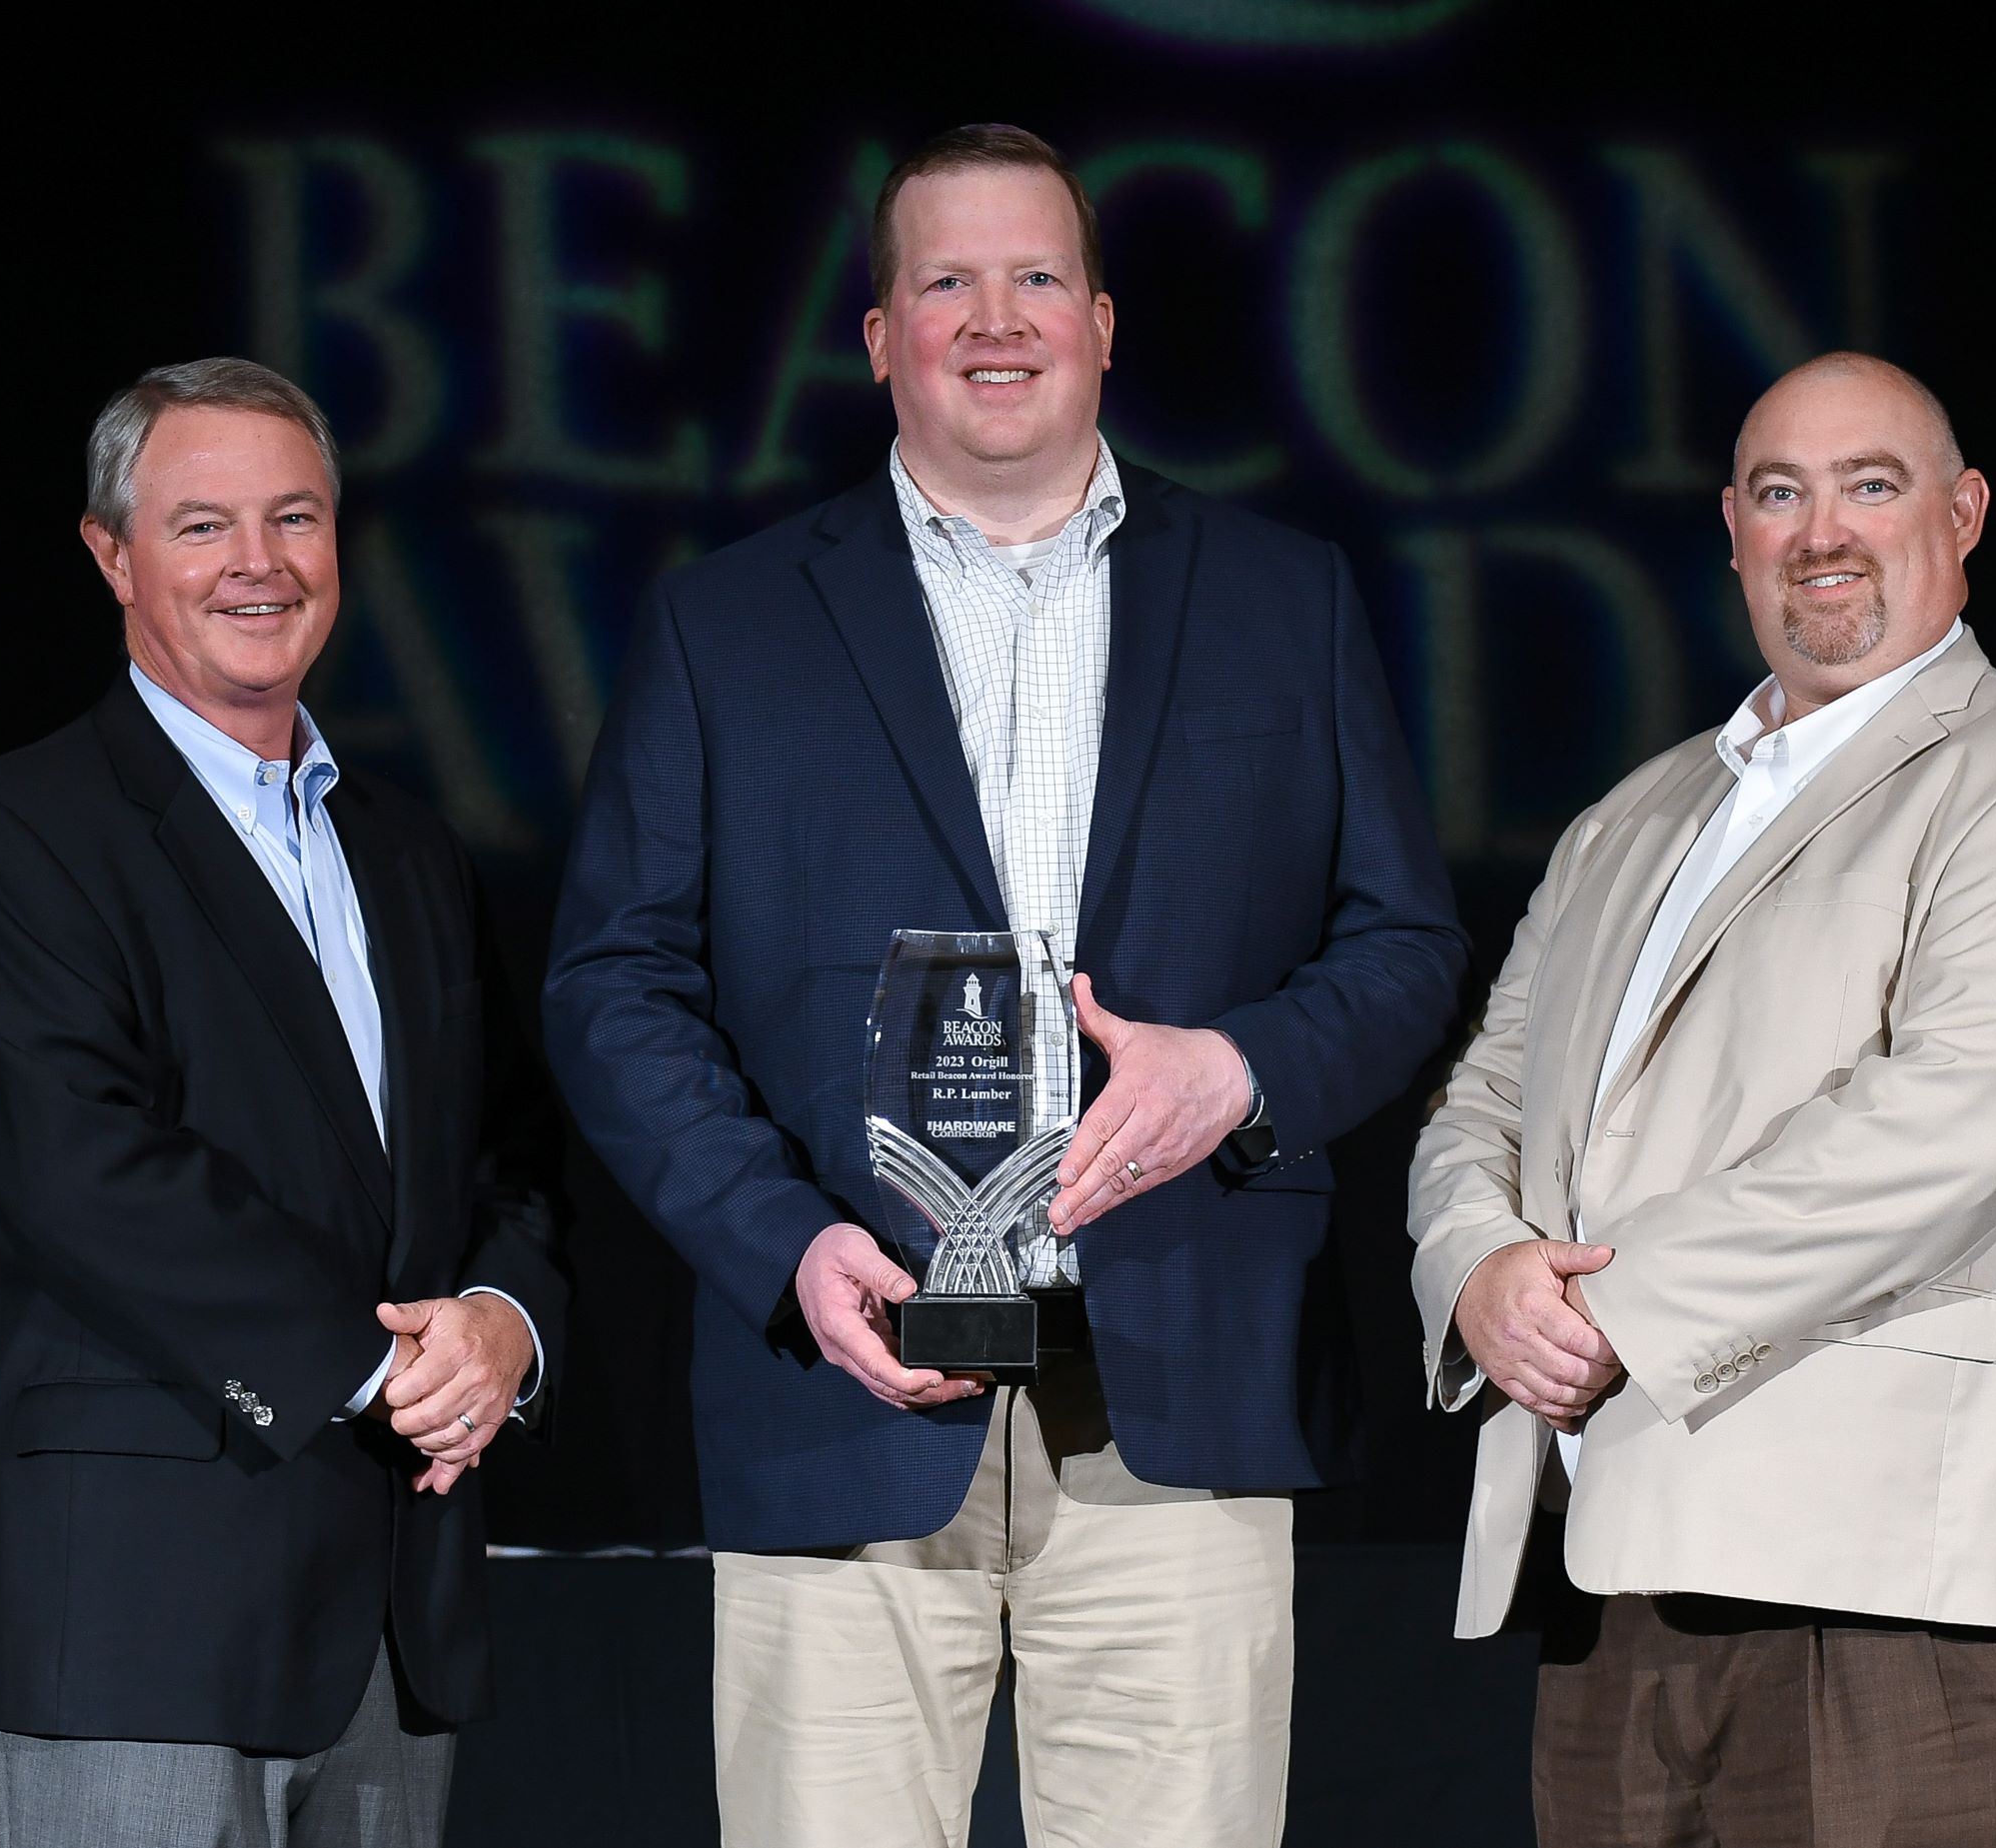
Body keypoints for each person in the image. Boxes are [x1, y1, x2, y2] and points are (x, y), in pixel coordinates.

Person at [545, 124, 1466, 1846]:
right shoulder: (724, 625)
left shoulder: (1282, 599)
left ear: (1103, 321)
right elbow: (615, 984)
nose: (996, 316)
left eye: (1035, 274)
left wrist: (1239, 1073)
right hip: (845, 1381)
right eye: (943, 280)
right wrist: (781, 1243)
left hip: (1179, 1384)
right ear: (879, 335)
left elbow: (1403, 943)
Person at [1408, 352, 1996, 1845]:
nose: (1819, 530)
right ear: (1729, 528)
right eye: (1779, 492)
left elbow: (1955, 1125)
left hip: (1896, 1593)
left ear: (1961, 515)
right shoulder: (1622, 823)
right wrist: (1479, 1270)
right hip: (1616, 1567)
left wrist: (1605, 1315)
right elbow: (1481, 1102)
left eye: (1869, 485)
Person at [0, 358, 571, 1848]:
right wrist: (380, 1365)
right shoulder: (19, 833)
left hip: (394, 1625)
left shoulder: (410, 853)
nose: (259, 564)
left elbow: (508, 1156)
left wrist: (499, 1325)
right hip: (140, 1615)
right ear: (112, 556)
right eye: (202, 525)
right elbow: (79, 1169)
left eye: (295, 518)